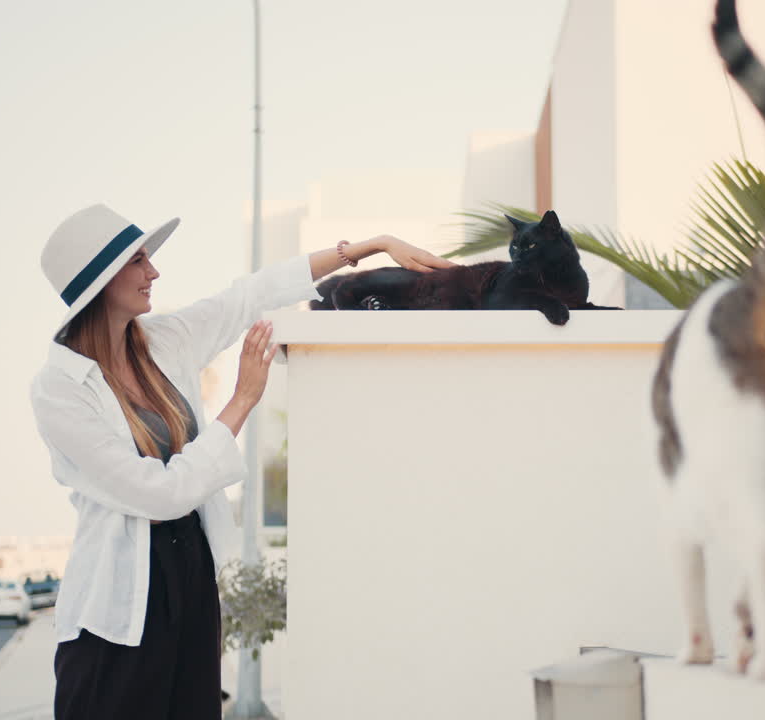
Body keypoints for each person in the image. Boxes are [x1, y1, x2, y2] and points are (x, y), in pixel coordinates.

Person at [30, 203, 453, 718]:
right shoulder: (59, 390)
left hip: (190, 575)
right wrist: (242, 400)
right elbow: (156, 496)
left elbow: (249, 294)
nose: (154, 272)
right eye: (139, 261)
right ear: (102, 282)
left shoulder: (164, 341)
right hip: (117, 606)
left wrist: (366, 248)